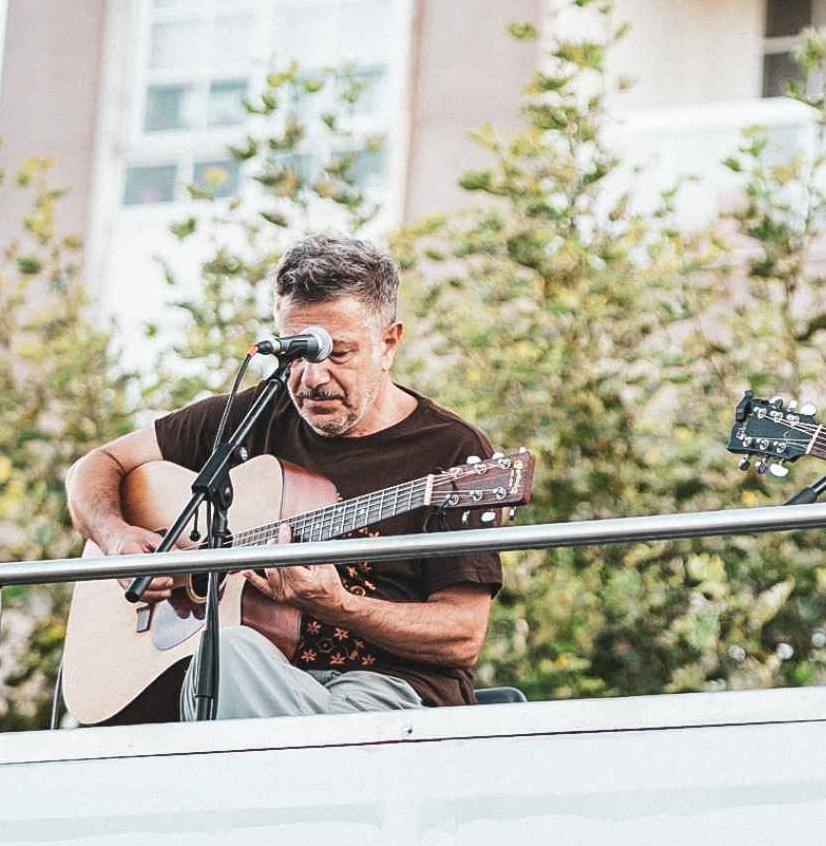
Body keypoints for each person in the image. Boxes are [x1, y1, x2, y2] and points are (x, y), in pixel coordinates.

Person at [65, 233, 501, 719]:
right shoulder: (248, 418)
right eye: (298, 353)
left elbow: (463, 635)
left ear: (388, 343)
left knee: (230, 668)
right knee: (225, 655)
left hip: (389, 691)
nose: (313, 378)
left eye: (338, 353)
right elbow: (95, 466)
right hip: (255, 676)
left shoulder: (454, 452)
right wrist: (118, 540)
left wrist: (339, 605)